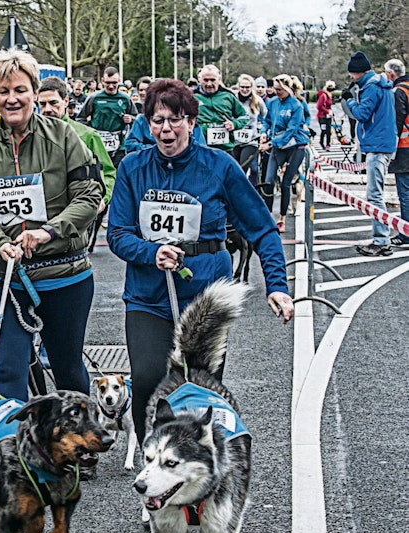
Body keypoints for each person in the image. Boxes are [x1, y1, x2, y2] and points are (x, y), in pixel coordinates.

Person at [107, 78, 294, 449]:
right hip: (149, 294)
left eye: (175, 119)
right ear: (147, 124)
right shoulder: (133, 167)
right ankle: (153, 460)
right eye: (157, 120)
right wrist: (152, 252)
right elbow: (118, 234)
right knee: (146, 379)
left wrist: (278, 286)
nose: (166, 129)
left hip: (206, 295)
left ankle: (193, 470)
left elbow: (261, 229)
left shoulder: (219, 166)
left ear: (192, 122)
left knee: (199, 387)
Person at [0, 49, 102, 402]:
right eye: (3, 91)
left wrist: (48, 231)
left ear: (34, 92)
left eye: (20, 90)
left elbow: (89, 196)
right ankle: (15, 452)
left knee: (66, 368)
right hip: (3, 273)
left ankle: (75, 449)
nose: (12, 99)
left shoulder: (65, 137)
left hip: (63, 272)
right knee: (9, 367)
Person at [344, 51, 397, 256]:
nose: (351, 77)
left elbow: (361, 114)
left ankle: (381, 239)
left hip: (377, 144)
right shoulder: (381, 85)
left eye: (352, 74)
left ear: (358, 72)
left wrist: (349, 101)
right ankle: (381, 238)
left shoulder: (371, 88)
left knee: (374, 195)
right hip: (382, 142)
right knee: (376, 194)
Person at [37, 77, 116, 206]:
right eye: (42, 104)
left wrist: (102, 199)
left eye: (53, 103)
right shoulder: (33, 135)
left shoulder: (88, 135)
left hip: (79, 210)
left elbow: (108, 172)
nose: (47, 109)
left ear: (66, 101)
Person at [259, 74, 309, 234]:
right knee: (268, 181)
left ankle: (282, 218)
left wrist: (270, 144)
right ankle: (266, 216)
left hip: (295, 146)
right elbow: (266, 120)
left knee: (286, 182)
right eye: (275, 88)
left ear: (288, 88)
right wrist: (264, 132)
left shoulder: (296, 105)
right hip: (276, 146)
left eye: (280, 89)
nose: (276, 92)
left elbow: (291, 130)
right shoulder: (272, 103)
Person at [77, 66, 138, 165]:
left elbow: (137, 118)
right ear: (102, 81)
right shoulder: (94, 98)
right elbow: (80, 118)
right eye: (108, 83)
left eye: (114, 83)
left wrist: (131, 119)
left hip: (119, 145)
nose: (111, 86)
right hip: (98, 143)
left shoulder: (125, 99)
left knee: (117, 173)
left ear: (119, 81)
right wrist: (90, 131)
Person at [194, 64, 249, 154]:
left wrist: (234, 124)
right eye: (205, 80)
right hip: (200, 147)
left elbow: (244, 116)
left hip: (225, 149)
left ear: (219, 80)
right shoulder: (191, 97)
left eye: (212, 80)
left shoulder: (228, 96)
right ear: (199, 80)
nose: (209, 83)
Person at [386, 59, 409, 247]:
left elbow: (397, 123)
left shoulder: (398, 92)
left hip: (404, 148)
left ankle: (406, 233)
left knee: (405, 193)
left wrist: (390, 151)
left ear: (391, 75)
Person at [233, 73, 266, 188]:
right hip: (234, 140)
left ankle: (246, 194)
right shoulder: (233, 99)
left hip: (250, 141)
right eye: (242, 87)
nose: (245, 89)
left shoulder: (257, 101)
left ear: (252, 87)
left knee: (243, 167)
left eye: (247, 87)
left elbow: (266, 117)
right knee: (233, 169)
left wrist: (262, 130)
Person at [316, 80, 336, 150]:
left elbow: (329, 106)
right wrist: (327, 111)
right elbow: (319, 106)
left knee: (328, 131)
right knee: (323, 130)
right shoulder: (323, 96)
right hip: (322, 116)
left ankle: (328, 144)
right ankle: (321, 142)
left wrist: (331, 112)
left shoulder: (329, 96)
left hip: (328, 116)